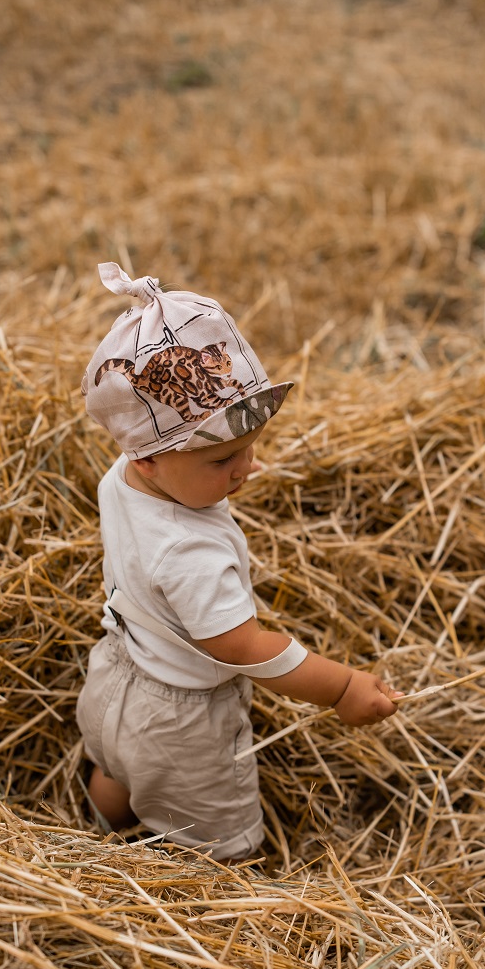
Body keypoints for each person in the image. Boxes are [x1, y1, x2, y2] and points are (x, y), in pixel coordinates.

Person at [76, 262, 402, 862]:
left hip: (112, 679)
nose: (246, 469)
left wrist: (213, 466)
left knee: (117, 772)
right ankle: (212, 888)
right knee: (221, 843)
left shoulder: (122, 478)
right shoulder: (188, 550)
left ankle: (94, 838)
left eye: (249, 448)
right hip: (181, 725)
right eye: (221, 460)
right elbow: (242, 647)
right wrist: (341, 688)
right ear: (151, 459)